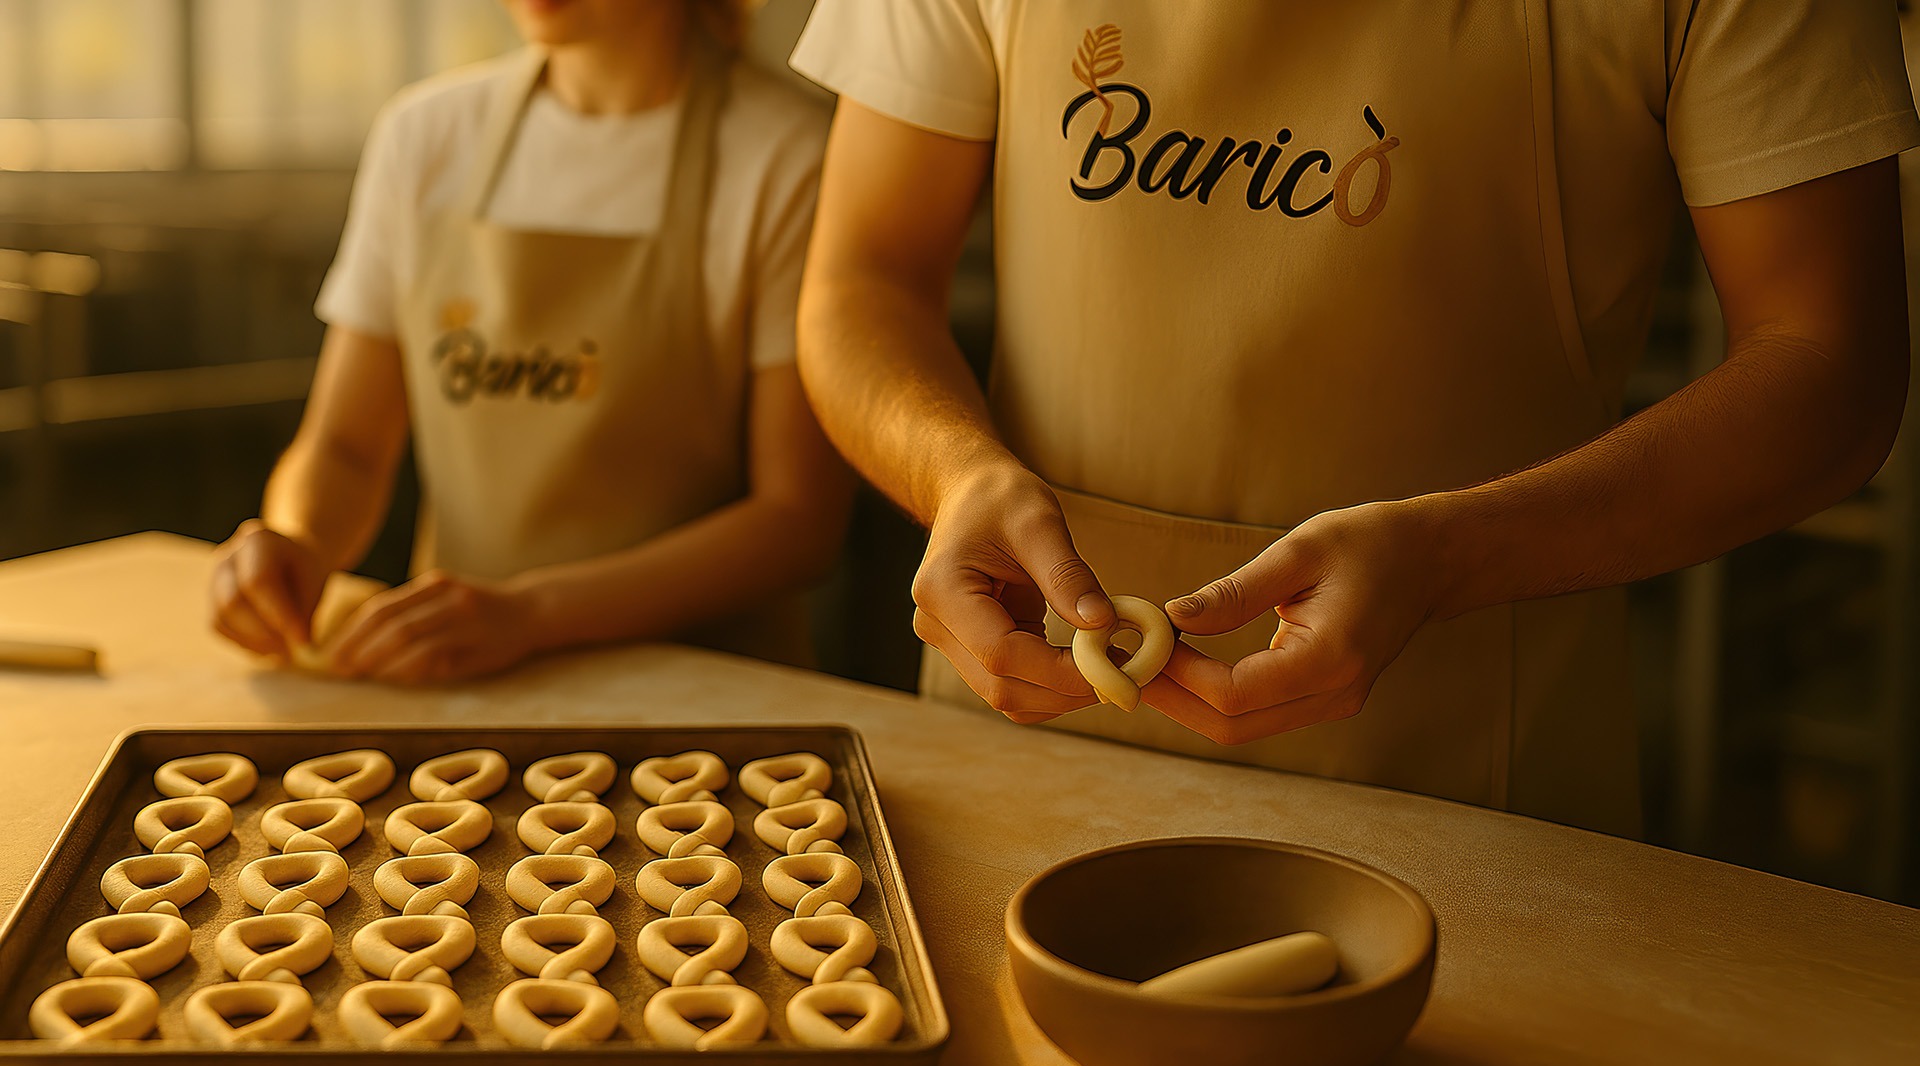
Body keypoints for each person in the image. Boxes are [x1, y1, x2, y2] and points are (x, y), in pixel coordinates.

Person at [788, 0, 1917, 834]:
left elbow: (1830, 368)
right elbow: (860, 285)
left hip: (1477, 793)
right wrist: (953, 477)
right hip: (1023, 732)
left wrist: (1449, 553)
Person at [210, 0, 851, 682]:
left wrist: (531, 615)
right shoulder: (425, 136)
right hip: (457, 681)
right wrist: (298, 540)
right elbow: (344, 448)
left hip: (711, 697)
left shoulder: (788, 157)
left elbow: (796, 521)